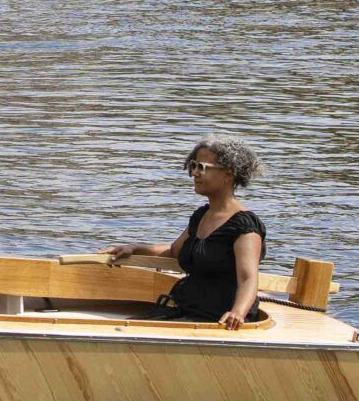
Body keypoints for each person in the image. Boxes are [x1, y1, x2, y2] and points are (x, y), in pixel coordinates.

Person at [104, 139, 268, 327]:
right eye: (193, 166)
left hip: (218, 317)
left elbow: (248, 278)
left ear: (228, 174)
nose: (195, 173)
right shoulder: (201, 215)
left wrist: (237, 313)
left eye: (202, 167)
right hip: (187, 308)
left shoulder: (245, 225)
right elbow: (175, 251)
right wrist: (134, 248)